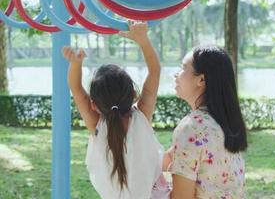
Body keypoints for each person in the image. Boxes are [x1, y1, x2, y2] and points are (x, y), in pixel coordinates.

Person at [62, 21, 170, 199]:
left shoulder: (97, 125)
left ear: (94, 104)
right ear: (134, 94)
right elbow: (155, 71)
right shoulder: (142, 116)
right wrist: (142, 39)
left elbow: (75, 88)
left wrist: (75, 63)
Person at [165, 46, 248, 199]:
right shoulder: (224, 122)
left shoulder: (191, 128)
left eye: (183, 68)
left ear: (201, 79)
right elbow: (166, 159)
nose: (175, 74)